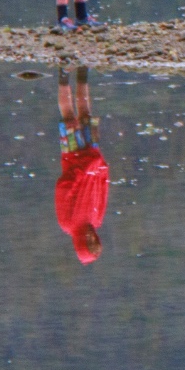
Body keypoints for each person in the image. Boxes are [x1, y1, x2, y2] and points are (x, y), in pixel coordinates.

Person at [55, 66, 110, 264]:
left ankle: (63, 73)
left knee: (68, 115)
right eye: (94, 241)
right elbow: (103, 190)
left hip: (73, 158)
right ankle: (83, 72)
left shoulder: (67, 223)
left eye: (89, 242)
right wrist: (103, 169)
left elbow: (63, 188)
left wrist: (82, 171)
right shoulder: (97, 220)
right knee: (86, 112)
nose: (91, 237)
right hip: (93, 158)